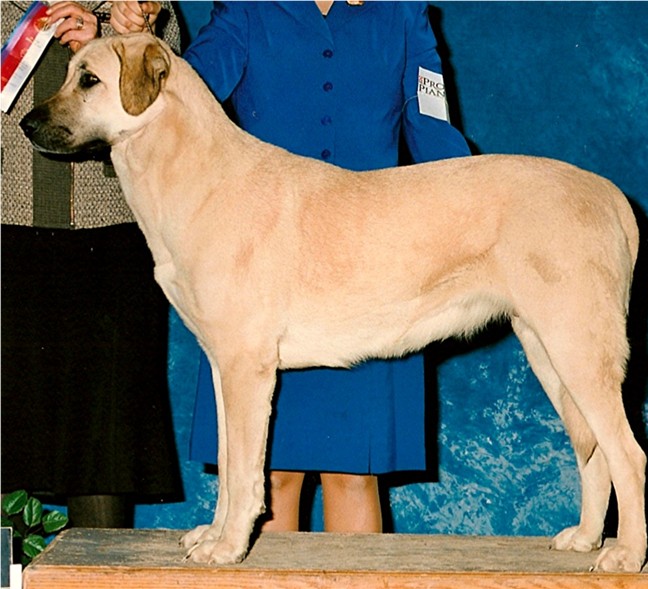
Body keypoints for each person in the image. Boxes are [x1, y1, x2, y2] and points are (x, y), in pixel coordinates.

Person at [182, 1, 471, 532]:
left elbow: (432, 129)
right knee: (272, 476)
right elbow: (180, 96)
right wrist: (136, 36)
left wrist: (475, 211)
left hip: (374, 276)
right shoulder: (246, 10)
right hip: (262, 274)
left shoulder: (402, 14)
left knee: (356, 475)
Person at [1, 1, 182, 528]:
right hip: (6, 219)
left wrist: (107, 36)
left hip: (111, 227)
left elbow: (171, 79)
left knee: (105, 447)